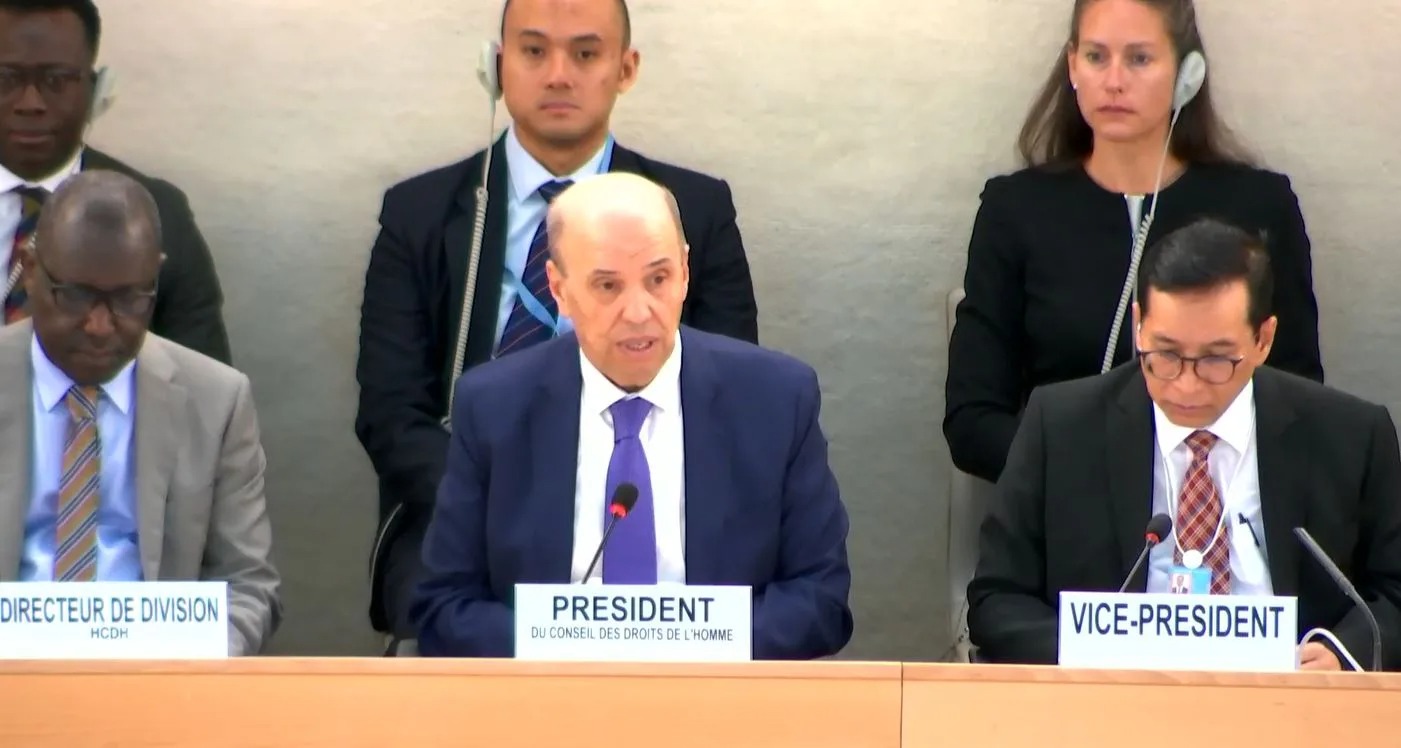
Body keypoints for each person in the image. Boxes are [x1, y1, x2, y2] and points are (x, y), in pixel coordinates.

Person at [358, 0, 760, 647]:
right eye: (533, 51)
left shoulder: (695, 210)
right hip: (469, 522)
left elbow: (729, 401)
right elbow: (391, 414)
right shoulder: (422, 214)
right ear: (497, 65)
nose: (558, 74)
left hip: (648, 508)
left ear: (625, 68)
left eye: (585, 53)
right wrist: (508, 501)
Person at [411, 173, 851, 659]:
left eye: (658, 279)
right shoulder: (494, 406)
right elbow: (445, 606)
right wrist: (569, 645)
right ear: (559, 289)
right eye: (608, 285)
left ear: (685, 272)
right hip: (550, 694)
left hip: (717, 692)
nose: (639, 312)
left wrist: (689, 644)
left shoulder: (775, 399)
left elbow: (820, 601)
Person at [967, 218, 1401, 671]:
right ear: (1139, 327)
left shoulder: (1351, 436)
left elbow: (1394, 593)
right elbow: (997, 598)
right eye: (1166, 355)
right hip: (1113, 698)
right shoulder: (1060, 427)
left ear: (1263, 339)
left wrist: (1342, 653)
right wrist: (1091, 656)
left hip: (1290, 700)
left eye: (1216, 359)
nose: (1187, 386)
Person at [944, 0, 1324, 484]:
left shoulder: (1259, 207)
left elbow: (1298, 399)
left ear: (1187, 74)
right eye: (1096, 57)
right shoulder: (1016, 210)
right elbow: (973, 422)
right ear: (1073, 65)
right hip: (1069, 495)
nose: (1114, 81)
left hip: (1217, 494)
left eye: (1139, 58)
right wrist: (1088, 471)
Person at [0, 171, 280, 655]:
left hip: (158, 679)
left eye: (129, 299)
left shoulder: (217, 401)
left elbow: (247, 586)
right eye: (75, 295)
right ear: (29, 269)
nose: (99, 325)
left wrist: (188, 673)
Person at [0, 0, 231, 362]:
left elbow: (200, 385)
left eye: (56, 80)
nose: (30, 103)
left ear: (95, 89)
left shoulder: (156, 213)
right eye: (5, 79)